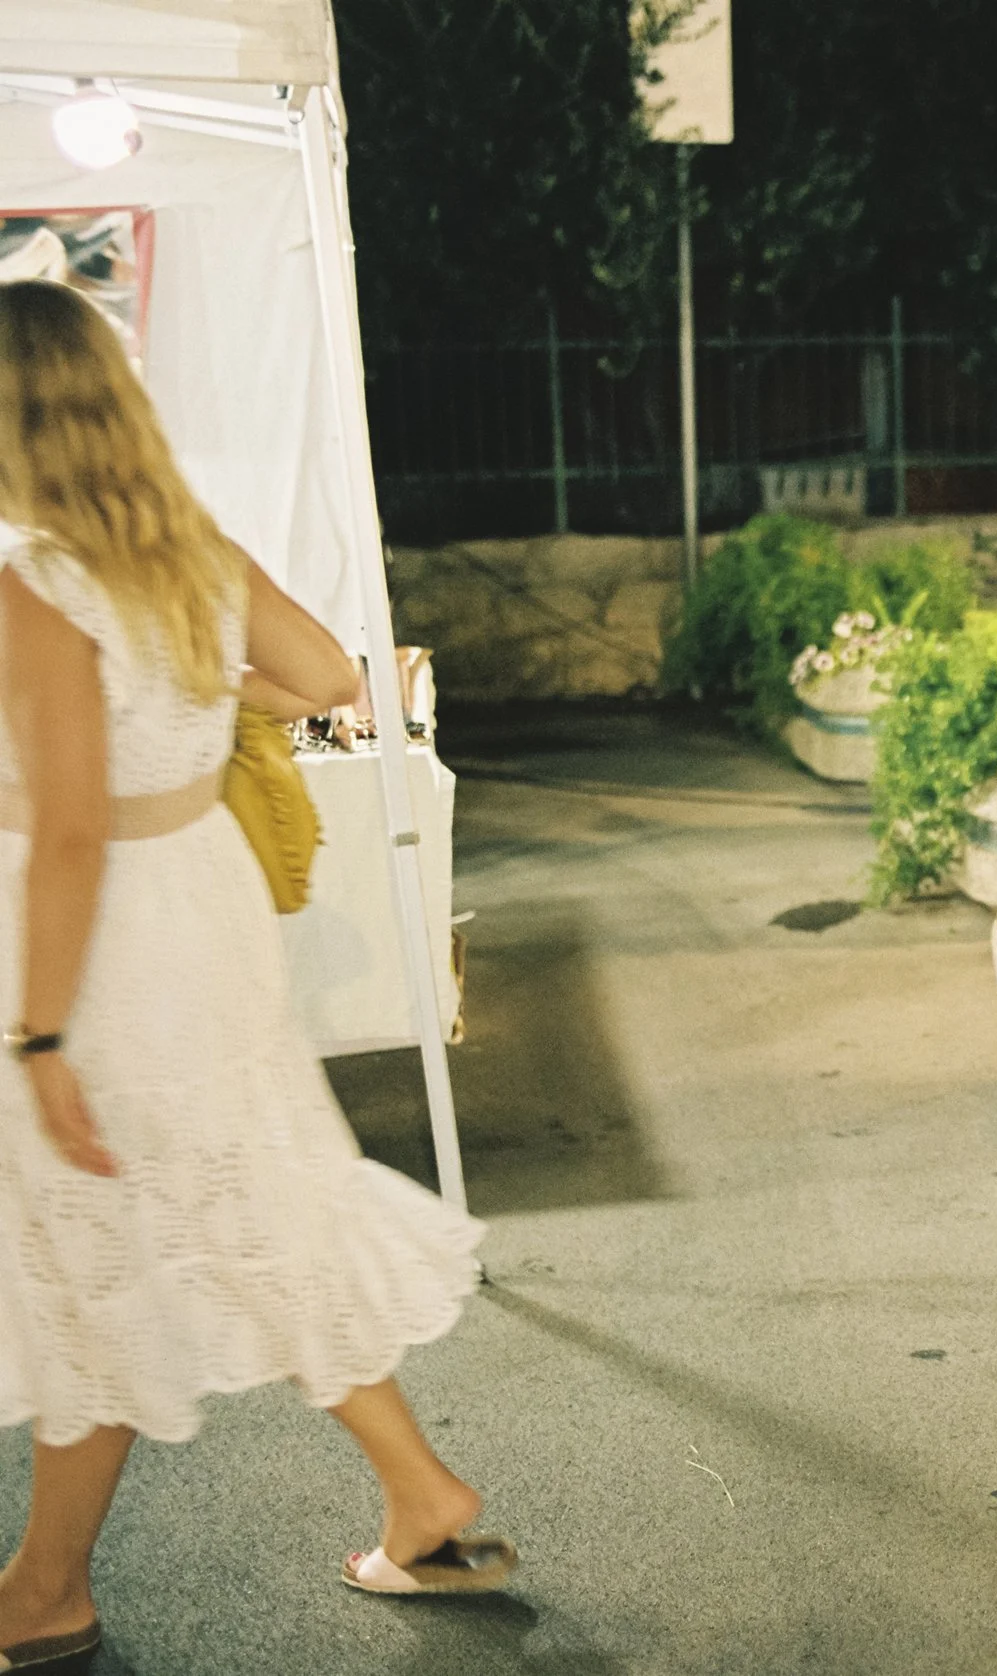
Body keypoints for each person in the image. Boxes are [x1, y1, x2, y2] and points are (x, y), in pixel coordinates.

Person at [0, 280, 512, 1669]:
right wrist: (197, 683)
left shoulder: (34, 587)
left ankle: (45, 1589)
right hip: (201, 908)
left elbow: (70, 833)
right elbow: (331, 675)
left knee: (112, 1236)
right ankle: (412, 1492)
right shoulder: (184, 552)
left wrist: (39, 1039)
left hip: (106, 946)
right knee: (239, 1196)